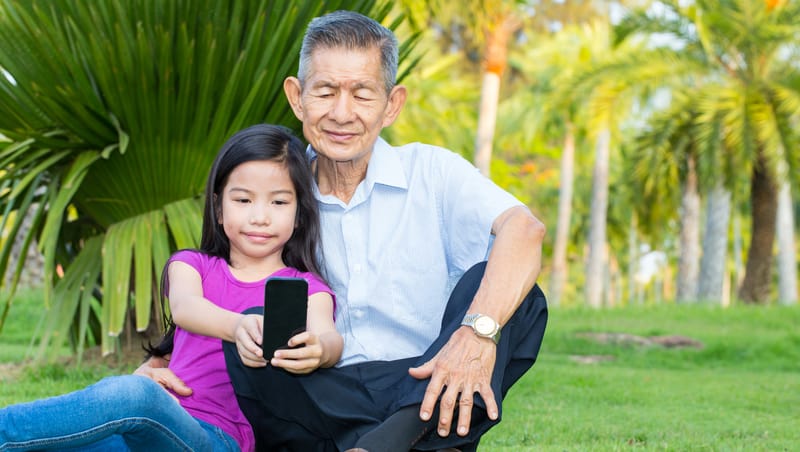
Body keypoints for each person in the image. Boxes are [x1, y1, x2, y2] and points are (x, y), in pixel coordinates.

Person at [141, 10, 548, 452]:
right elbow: (228, 280)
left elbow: (524, 230)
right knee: (255, 343)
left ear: (392, 104)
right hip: (316, 396)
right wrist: (156, 365)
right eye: (325, 91)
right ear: (297, 98)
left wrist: (473, 338)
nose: (341, 113)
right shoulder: (278, 193)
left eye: (362, 94)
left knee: (518, 297)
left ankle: (388, 440)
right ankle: (400, 440)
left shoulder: (433, 173)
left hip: (425, 385)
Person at [0, 124, 340, 452]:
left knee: (137, 395)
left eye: (278, 202)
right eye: (244, 200)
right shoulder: (192, 266)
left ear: (299, 215)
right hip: (148, 425)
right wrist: (238, 326)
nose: (260, 217)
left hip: (215, 440)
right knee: (57, 438)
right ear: (219, 208)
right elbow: (186, 308)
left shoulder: (306, 288)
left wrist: (318, 350)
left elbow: (329, 337)